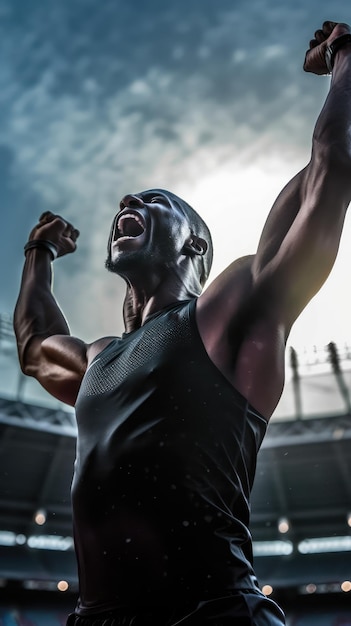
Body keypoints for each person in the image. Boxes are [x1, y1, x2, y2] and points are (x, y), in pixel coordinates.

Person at [13, 20, 351, 626]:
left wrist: (346, 57)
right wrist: (38, 253)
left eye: (153, 201)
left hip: (211, 614)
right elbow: (35, 347)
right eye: (125, 202)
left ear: (195, 246)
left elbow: (332, 162)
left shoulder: (233, 307)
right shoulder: (99, 358)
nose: (128, 205)